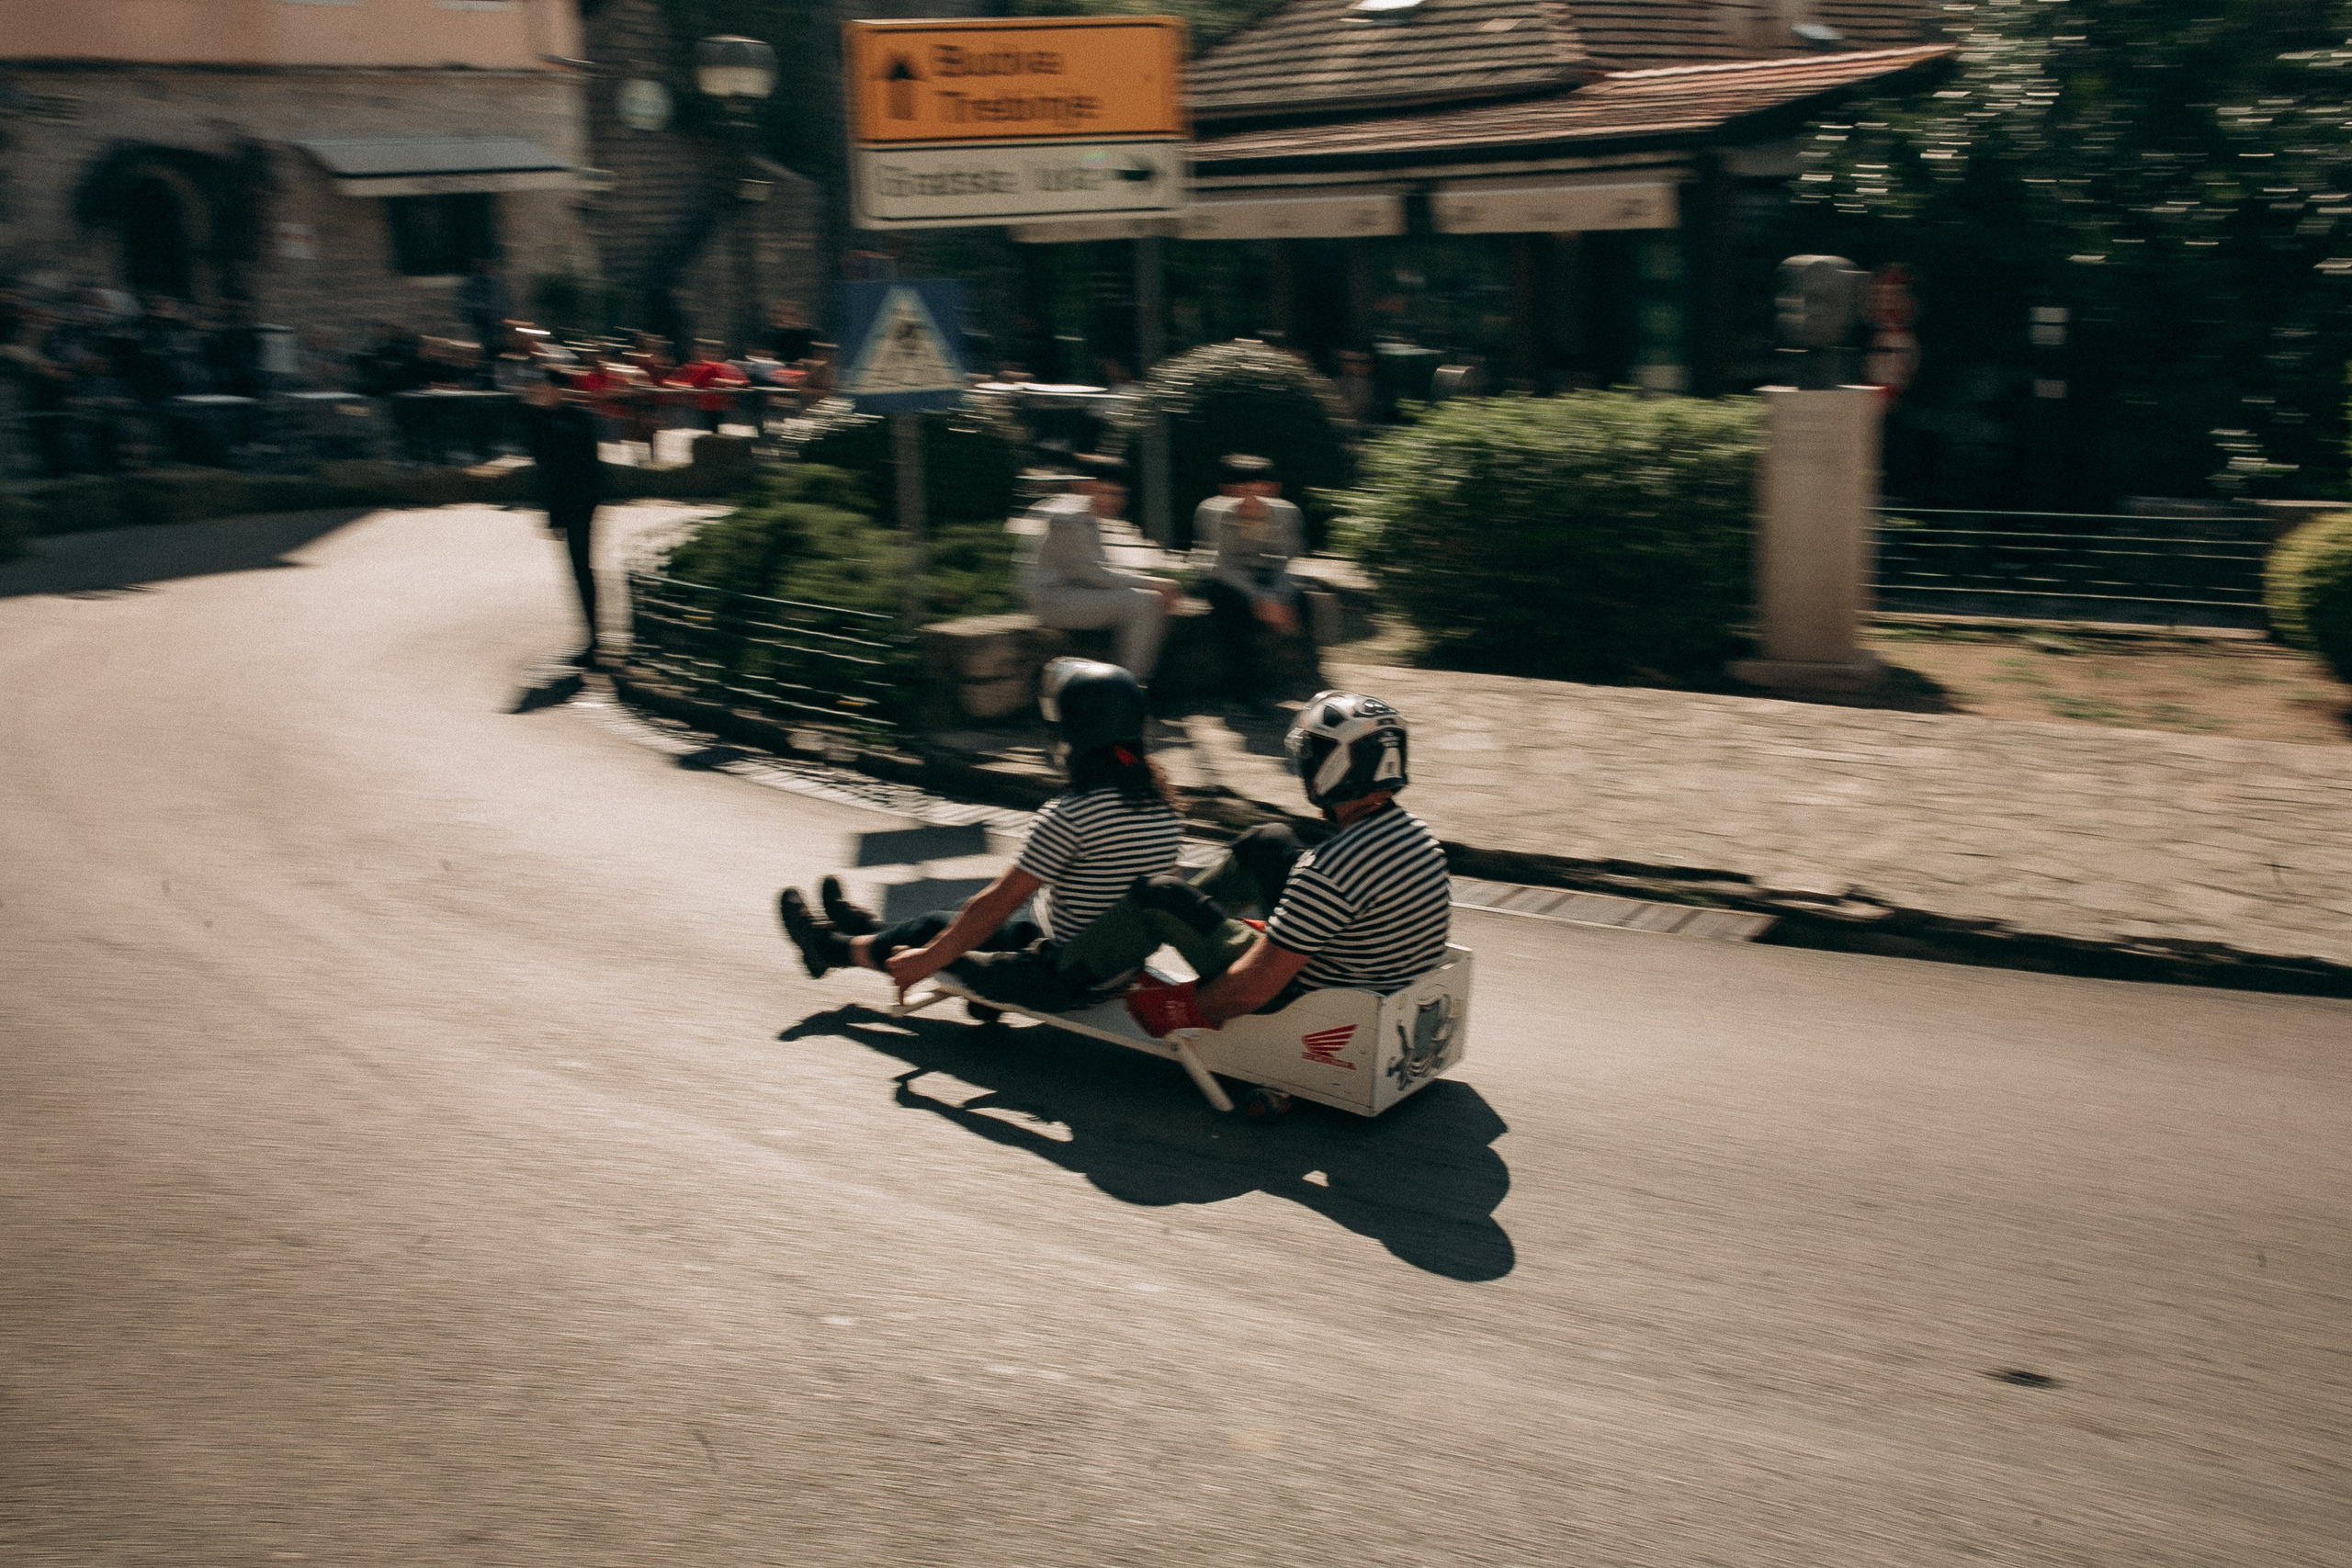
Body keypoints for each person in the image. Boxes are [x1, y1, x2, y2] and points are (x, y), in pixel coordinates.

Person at [776, 659, 1184, 1011]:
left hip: (1064, 964)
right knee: (958, 912)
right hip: (1112, 959)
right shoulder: (1163, 806)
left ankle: (830, 949)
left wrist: (925, 962)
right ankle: (873, 933)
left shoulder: (1072, 814)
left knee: (942, 925)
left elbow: (995, 906)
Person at [1100, 691, 1453, 1037]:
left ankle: (1072, 972)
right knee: (1270, 841)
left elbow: (1252, 990)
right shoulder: (1419, 837)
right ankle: (1169, 925)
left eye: (1313, 753)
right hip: (1366, 970)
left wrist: (1178, 1009)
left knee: (1160, 895)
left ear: (1338, 764)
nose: (1305, 763)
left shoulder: (1329, 869)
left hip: (1300, 996)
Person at [1018, 454, 1182, 683]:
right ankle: (1129, 687)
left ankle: (1125, 685)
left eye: (1118, 494)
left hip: (1072, 593)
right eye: (1104, 492)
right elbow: (1099, 575)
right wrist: (1157, 583)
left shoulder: (1082, 512)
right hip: (1053, 601)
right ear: (1084, 486)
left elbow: (1099, 570)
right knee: (1146, 603)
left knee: (1147, 599)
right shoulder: (1070, 518)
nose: (1112, 500)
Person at [1193, 453, 1306, 703]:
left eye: (1262, 491)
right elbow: (1220, 565)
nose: (1253, 500)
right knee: (1234, 608)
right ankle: (1242, 691)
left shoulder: (1287, 514)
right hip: (1222, 575)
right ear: (1228, 492)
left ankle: (1302, 676)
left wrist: (1280, 596)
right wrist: (1260, 598)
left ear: (1274, 490)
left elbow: (1286, 562)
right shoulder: (1213, 512)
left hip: (1264, 575)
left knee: (1301, 600)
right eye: (1244, 491)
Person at [518, 368, 605, 665]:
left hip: (580, 504)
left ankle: (595, 637)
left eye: (543, 388)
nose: (538, 393)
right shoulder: (551, 420)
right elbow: (542, 463)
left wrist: (559, 515)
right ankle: (592, 635)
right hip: (571, 505)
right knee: (579, 570)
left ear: (557, 389)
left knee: (582, 569)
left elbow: (559, 465)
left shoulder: (574, 420)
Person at [664, 339, 750, 432]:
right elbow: (667, 383)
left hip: (724, 414)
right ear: (696, 351)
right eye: (705, 351)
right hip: (694, 411)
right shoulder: (688, 368)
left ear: (722, 354)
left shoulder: (729, 369)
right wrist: (692, 388)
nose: (709, 355)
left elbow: (744, 383)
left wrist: (717, 382)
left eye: (714, 352)